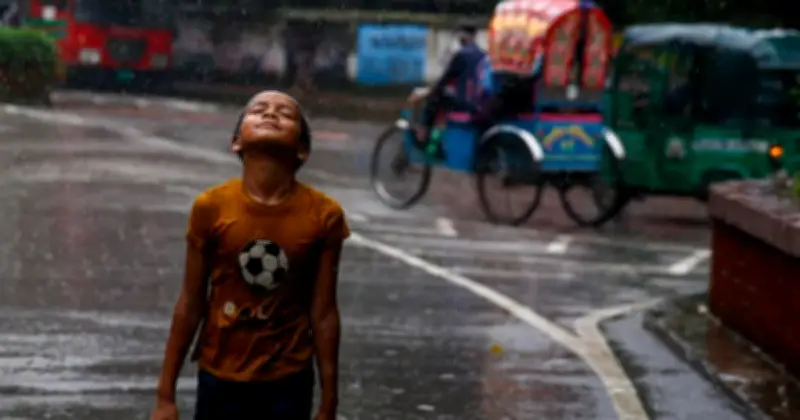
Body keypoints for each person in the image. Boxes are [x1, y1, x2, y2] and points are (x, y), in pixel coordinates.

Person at [150, 90, 349, 420]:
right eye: (258, 110)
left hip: (289, 377)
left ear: (302, 149)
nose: (271, 114)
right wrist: (164, 395)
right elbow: (190, 301)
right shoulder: (211, 208)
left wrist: (330, 400)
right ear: (236, 142)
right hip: (220, 373)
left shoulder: (325, 215)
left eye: (285, 114)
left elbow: (324, 312)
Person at [409, 24, 486, 153]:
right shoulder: (483, 55)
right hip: (478, 102)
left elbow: (444, 80)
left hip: (464, 102)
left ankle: (423, 132)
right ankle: (436, 138)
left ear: (463, 36)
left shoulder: (462, 55)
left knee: (435, 98)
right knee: (444, 98)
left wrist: (428, 92)